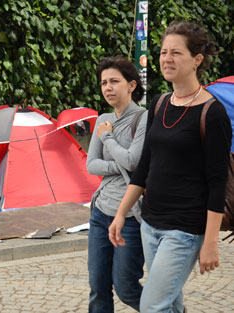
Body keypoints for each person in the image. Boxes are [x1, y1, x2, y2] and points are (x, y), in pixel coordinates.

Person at [108, 21, 232, 313]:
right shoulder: (159, 103)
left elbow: (217, 182)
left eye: (176, 53)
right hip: (150, 224)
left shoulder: (212, 113)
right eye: (164, 52)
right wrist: (121, 213)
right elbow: (145, 165)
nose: (166, 59)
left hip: (185, 230)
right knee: (171, 304)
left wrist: (211, 242)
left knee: (153, 306)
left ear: (196, 60)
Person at [86, 56, 147, 313]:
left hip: (131, 215)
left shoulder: (143, 118)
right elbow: (91, 165)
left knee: (125, 286)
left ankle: (168, 309)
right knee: (98, 287)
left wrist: (108, 138)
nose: (108, 88)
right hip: (100, 212)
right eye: (103, 83)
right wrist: (118, 166)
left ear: (131, 85)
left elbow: (134, 161)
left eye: (114, 81)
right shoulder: (103, 118)